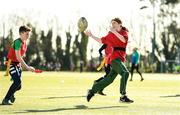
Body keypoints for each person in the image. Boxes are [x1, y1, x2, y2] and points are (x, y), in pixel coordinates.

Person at [85, 18, 133, 103]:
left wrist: (114, 32)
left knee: (109, 80)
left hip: (120, 59)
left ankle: (91, 91)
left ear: (120, 24)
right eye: (112, 23)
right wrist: (91, 35)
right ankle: (123, 96)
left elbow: (123, 40)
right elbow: (101, 40)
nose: (113, 25)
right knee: (125, 73)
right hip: (114, 58)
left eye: (114, 23)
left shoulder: (124, 32)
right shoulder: (111, 34)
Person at [2, 25, 35, 105]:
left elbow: (19, 59)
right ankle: (6, 99)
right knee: (17, 82)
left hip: (17, 65)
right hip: (10, 63)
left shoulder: (24, 44)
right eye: (26, 34)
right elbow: (18, 56)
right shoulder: (17, 42)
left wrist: (20, 68)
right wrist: (27, 67)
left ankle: (11, 93)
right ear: (21, 33)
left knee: (19, 86)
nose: (28, 36)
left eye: (28, 34)